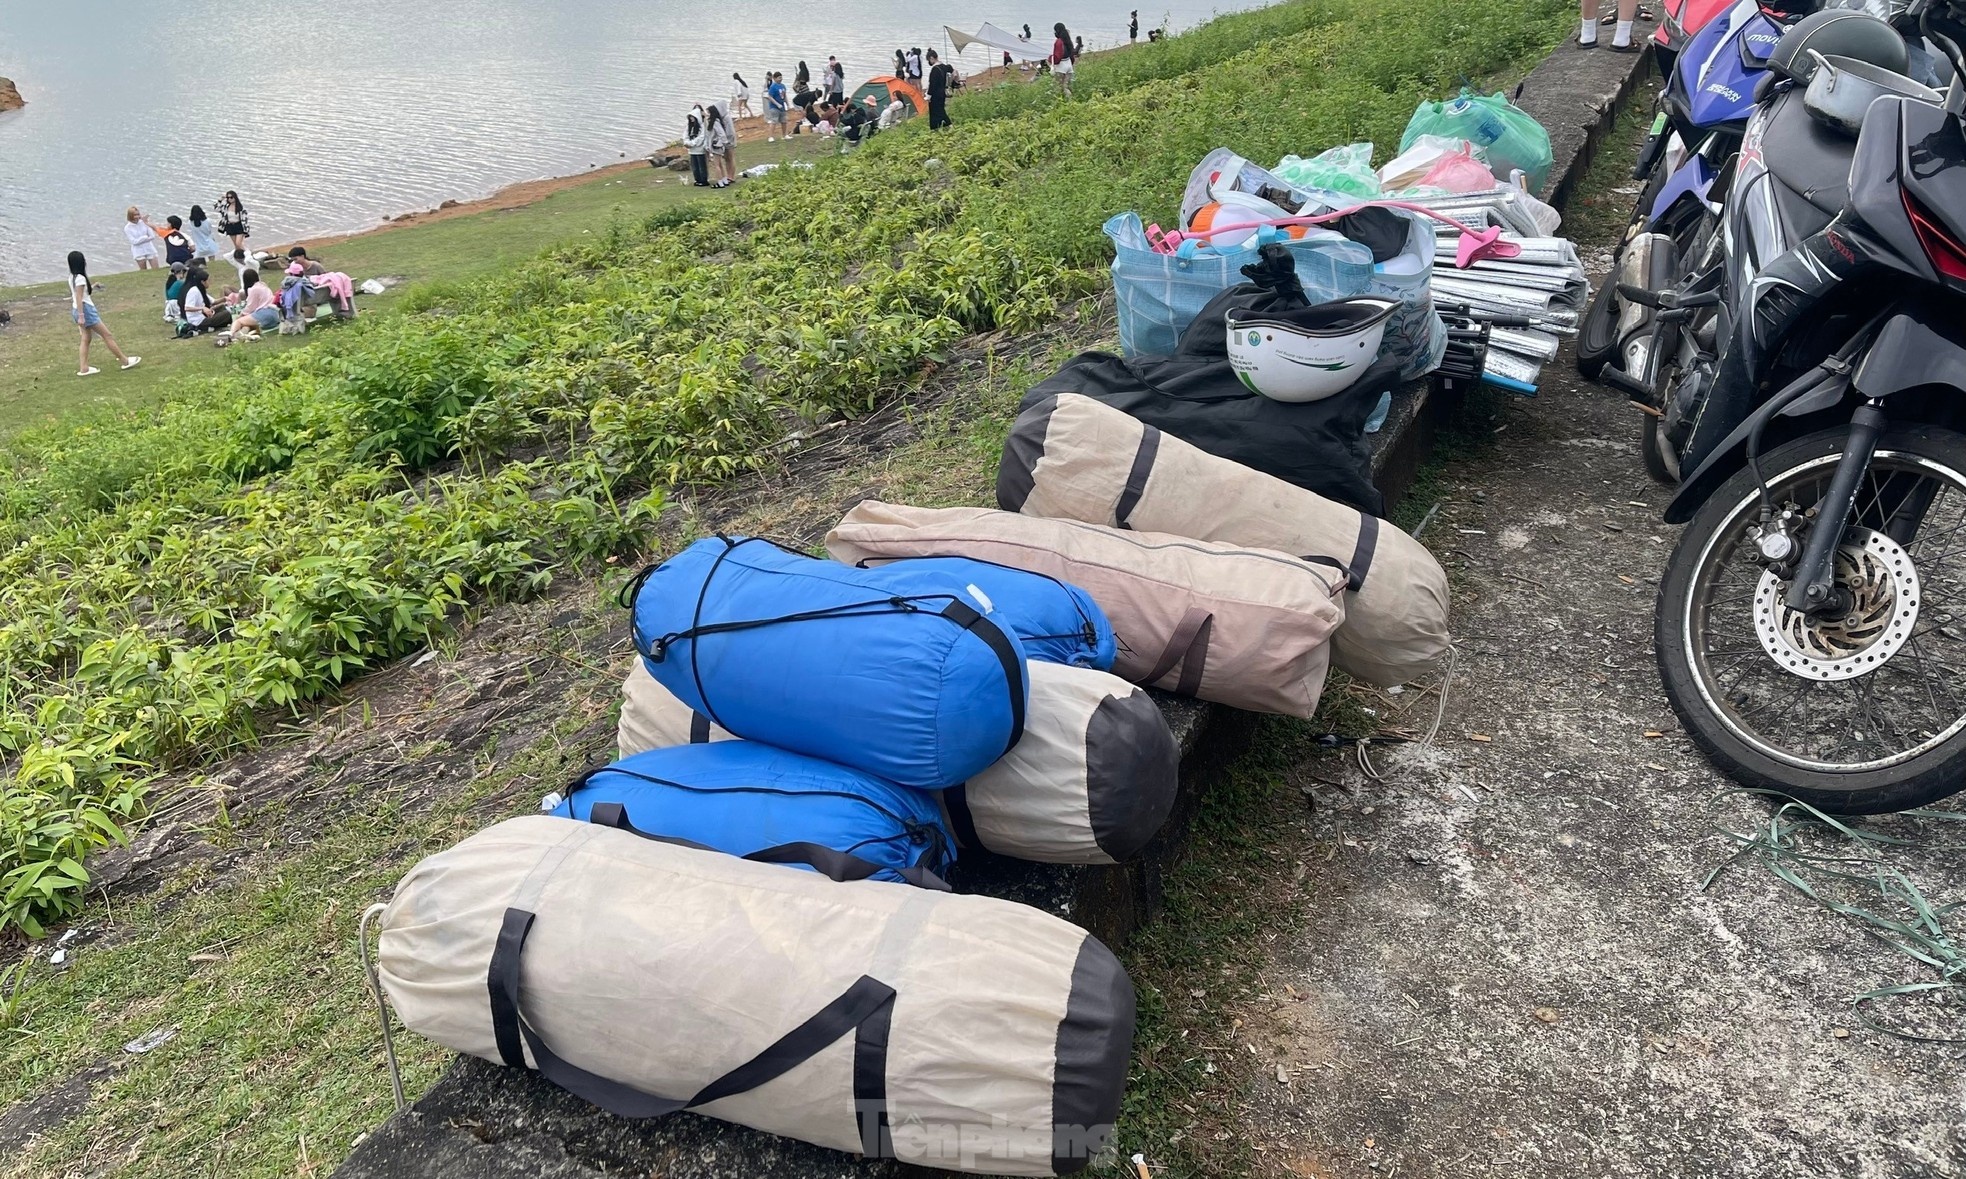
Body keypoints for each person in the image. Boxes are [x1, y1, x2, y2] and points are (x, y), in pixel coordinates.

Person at [67, 251, 138, 376]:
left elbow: (81, 294)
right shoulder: (81, 278)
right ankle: (124, 360)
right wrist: (82, 316)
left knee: (86, 339)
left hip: (78, 310)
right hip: (85, 311)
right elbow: (79, 298)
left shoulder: (72, 277)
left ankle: (84, 368)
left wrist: (92, 286)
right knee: (107, 335)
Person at [178, 267, 232, 336]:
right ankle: (205, 327)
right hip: (197, 321)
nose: (210, 282)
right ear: (203, 282)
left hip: (203, 316)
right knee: (226, 314)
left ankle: (215, 325)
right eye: (208, 280)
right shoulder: (194, 291)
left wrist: (224, 299)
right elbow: (187, 308)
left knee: (222, 307)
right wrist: (202, 308)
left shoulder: (201, 290)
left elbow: (213, 301)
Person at [926, 49, 958, 131]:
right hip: (942, 92)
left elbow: (932, 84)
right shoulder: (945, 66)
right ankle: (939, 127)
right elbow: (954, 72)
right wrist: (952, 83)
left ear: (932, 58)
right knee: (940, 109)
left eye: (929, 60)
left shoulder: (935, 69)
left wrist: (928, 95)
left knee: (936, 111)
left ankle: (946, 125)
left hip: (935, 94)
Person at [706, 101, 737, 186]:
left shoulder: (726, 118)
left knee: (730, 158)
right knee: (726, 159)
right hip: (724, 142)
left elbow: (729, 132)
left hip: (729, 141)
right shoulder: (720, 118)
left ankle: (731, 176)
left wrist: (725, 142)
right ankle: (727, 176)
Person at [685, 106, 710, 186]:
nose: (691, 118)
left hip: (699, 149)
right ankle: (697, 179)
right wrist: (687, 143)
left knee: (701, 165)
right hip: (691, 150)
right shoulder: (689, 127)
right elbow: (685, 136)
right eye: (690, 117)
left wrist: (692, 143)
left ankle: (703, 180)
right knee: (694, 166)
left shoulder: (701, 126)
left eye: (692, 117)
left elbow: (701, 137)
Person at [1052, 23, 1078, 97]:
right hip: (1069, 65)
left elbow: (1057, 57)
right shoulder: (1067, 40)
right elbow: (1072, 55)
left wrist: (1050, 58)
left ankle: (1059, 104)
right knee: (1066, 86)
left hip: (1061, 67)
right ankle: (1071, 102)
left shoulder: (1059, 41)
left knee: (1058, 87)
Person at [764, 71, 788, 141]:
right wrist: (777, 104)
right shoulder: (773, 87)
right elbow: (769, 96)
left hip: (782, 106)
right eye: (779, 78)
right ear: (774, 78)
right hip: (774, 107)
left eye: (781, 77)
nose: (780, 79)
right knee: (774, 121)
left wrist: (787, 104)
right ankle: (771, 136)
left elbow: (784, 95)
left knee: (784, 121)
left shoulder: (783, 86)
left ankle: (785, 135)